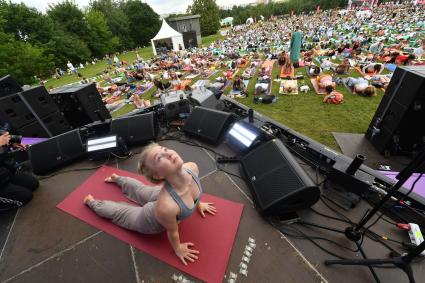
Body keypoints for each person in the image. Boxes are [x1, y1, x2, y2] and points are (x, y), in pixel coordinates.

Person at [83, 143, 217, 265]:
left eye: (165, 149)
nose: (169, 153)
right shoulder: (166, 207)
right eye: (160, 158)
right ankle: (92, 202)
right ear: (158, 175)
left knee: (141, 191)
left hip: (164, 193)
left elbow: (193, 191)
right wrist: (178, 249)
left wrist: (198, 204)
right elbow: (173, 232)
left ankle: (118, 179)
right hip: (152, 217)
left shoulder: (192, 168)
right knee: (121, 213)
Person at [0, 132, 39, 210]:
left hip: (4, 172)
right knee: (26, 196)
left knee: (33, 184)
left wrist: (13, 143)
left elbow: (6, 137)